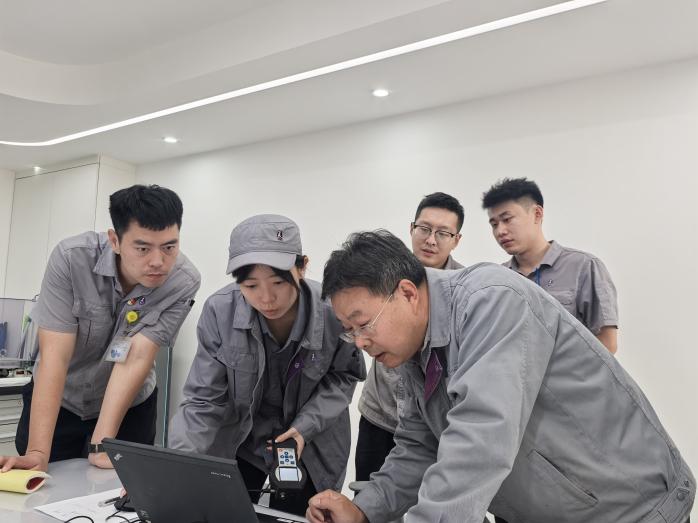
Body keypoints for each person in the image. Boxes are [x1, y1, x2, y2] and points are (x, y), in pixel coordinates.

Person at [307, 230, 694, 523]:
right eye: (349, 332)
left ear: (407, 293)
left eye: (363, 324)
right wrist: (365, 509)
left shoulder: (490, 300)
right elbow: (421, 445)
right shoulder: (413, 351)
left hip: (631, 509)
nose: (360, 342)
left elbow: (482, 435)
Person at [168, 214, 365, 516]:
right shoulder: (220, 312)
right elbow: (203, 400)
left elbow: (344, 376)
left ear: (302, 267)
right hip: (243, 439)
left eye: (278, 282)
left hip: (313, 442)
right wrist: (176, 466)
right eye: (250, 285)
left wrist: (304, 427)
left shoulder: (333, 310)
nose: (267, 298)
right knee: (223, 512)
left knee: (302, 516)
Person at [0, 185, 201, 473]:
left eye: (169, 247)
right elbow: (55, 356)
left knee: (120, 492)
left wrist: (101, 442)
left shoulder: (183, 281)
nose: (158, 262)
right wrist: (38, 451)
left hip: (129, 406)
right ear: (115, 241)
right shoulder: (72, 258)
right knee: (43, 481)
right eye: (143, 248)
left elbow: (136, 356)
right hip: (61, 400)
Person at [355, 192, 464, 482]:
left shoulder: (463, 291)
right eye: (424, 229)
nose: (431, 240)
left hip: (434, 424)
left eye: (443, 233)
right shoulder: (379, 277)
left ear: (456, 240)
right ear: (411, 228)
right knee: (368, 495)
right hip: (381, 415)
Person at [482, 177, 618, 354]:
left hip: (571, 372)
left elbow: (607, 344)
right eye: (494, 224)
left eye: (507, 219)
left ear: (537, 214)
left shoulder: (584, 267)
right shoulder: (499, 279)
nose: (500, 231)